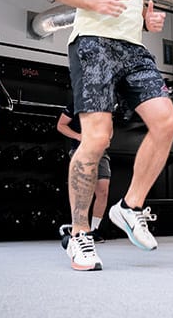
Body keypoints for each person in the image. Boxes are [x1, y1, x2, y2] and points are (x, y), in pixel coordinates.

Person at [45, 0, 173, 271]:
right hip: (93, 43)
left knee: (166, 122)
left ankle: (130, 206)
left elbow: (132, 9)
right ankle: (80, 234)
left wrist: (145, 20)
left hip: (133, 48)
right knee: (98, 137)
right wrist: (94, 3)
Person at [56, 102, 111, 242]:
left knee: (103, 191)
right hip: (81, 151)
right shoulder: (76, 103)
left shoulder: (105, 104)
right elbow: (61, 125)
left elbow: (109, 126)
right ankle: (80, 230)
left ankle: (94, 231)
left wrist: (107, 137)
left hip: (100, 151)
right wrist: (78, 136)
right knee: (83, 192)